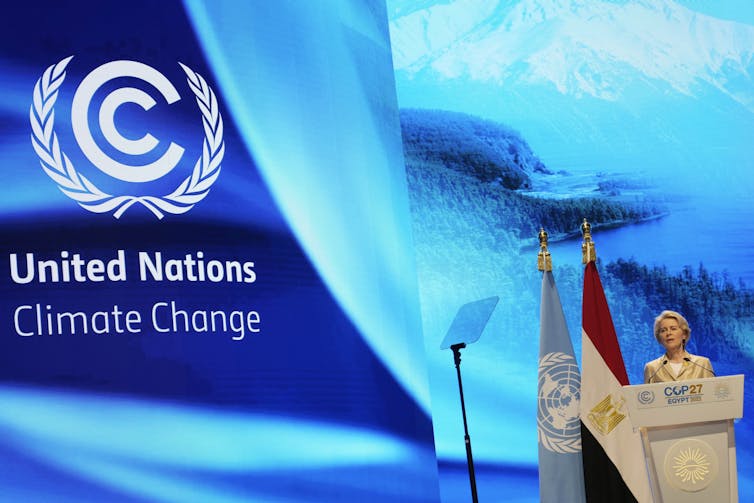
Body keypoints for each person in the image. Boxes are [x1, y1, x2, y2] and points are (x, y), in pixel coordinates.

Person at [644, 310, 715, 383]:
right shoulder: (652, 368)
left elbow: (712, 392)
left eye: (673, 329)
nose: (668, 333)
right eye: (663, 330)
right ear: (659, 337)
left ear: (684, 334)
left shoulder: (702, 364)